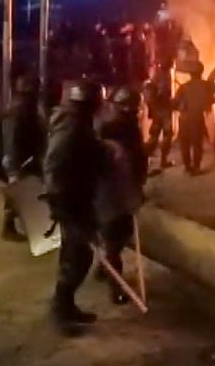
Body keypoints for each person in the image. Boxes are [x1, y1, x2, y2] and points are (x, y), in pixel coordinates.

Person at [43, 80, 105, 335]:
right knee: (76, 257)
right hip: (70, 199)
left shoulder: (78, 120)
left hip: (78, 196)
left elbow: (82, 152)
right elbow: (56, 162)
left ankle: (67, 305)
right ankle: (60, 312)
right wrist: (58, 200)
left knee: (78, 253)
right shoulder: (71, 124)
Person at [94, 86, 147, 305]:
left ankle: (103, 268)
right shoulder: (109, 129)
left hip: (122, 189)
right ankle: (115, 288)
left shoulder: (126, 125)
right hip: (112, 191)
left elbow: (137, 157)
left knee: (116, 236)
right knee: (114, 238)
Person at [1, 75, 45, 241]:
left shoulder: (26, 107)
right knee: (18, 193)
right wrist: (14, 165)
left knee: (28, 193)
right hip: (21, 159)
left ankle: (20, 226)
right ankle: (8, 227)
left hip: (28, 157)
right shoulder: (20, 109)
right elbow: (12, 138)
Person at [173, 59, 213, 175]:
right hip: (197, 118)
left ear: (190, 74)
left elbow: (175, 102)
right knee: (197, 143)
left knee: (185, 143)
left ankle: (187, 166)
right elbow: (210, 100)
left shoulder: (184, 87)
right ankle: (196, 167)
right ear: (201, 72)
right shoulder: (206, 86)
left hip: (184, 118)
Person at [144, 62, 175, 170]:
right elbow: (163, 91)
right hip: (164, 110)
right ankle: (163, 160)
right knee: (167, 134)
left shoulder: (156, 75)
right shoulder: (164, 76)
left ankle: (144, 159)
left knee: (154, 135)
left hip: (157, 110)